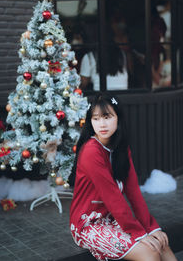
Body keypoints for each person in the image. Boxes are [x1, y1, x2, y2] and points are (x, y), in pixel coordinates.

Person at [70, 94, 177, 261]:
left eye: (107, 117)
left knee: (160, 243)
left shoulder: (120, 148)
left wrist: (152, 228)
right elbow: (112, 197)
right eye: (96, 119)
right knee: (150, 253)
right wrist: (139, 233)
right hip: (87, 225)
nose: (102, 124)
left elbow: (133, 192)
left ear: (118, 118)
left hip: (111, 219)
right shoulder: (91, 151)